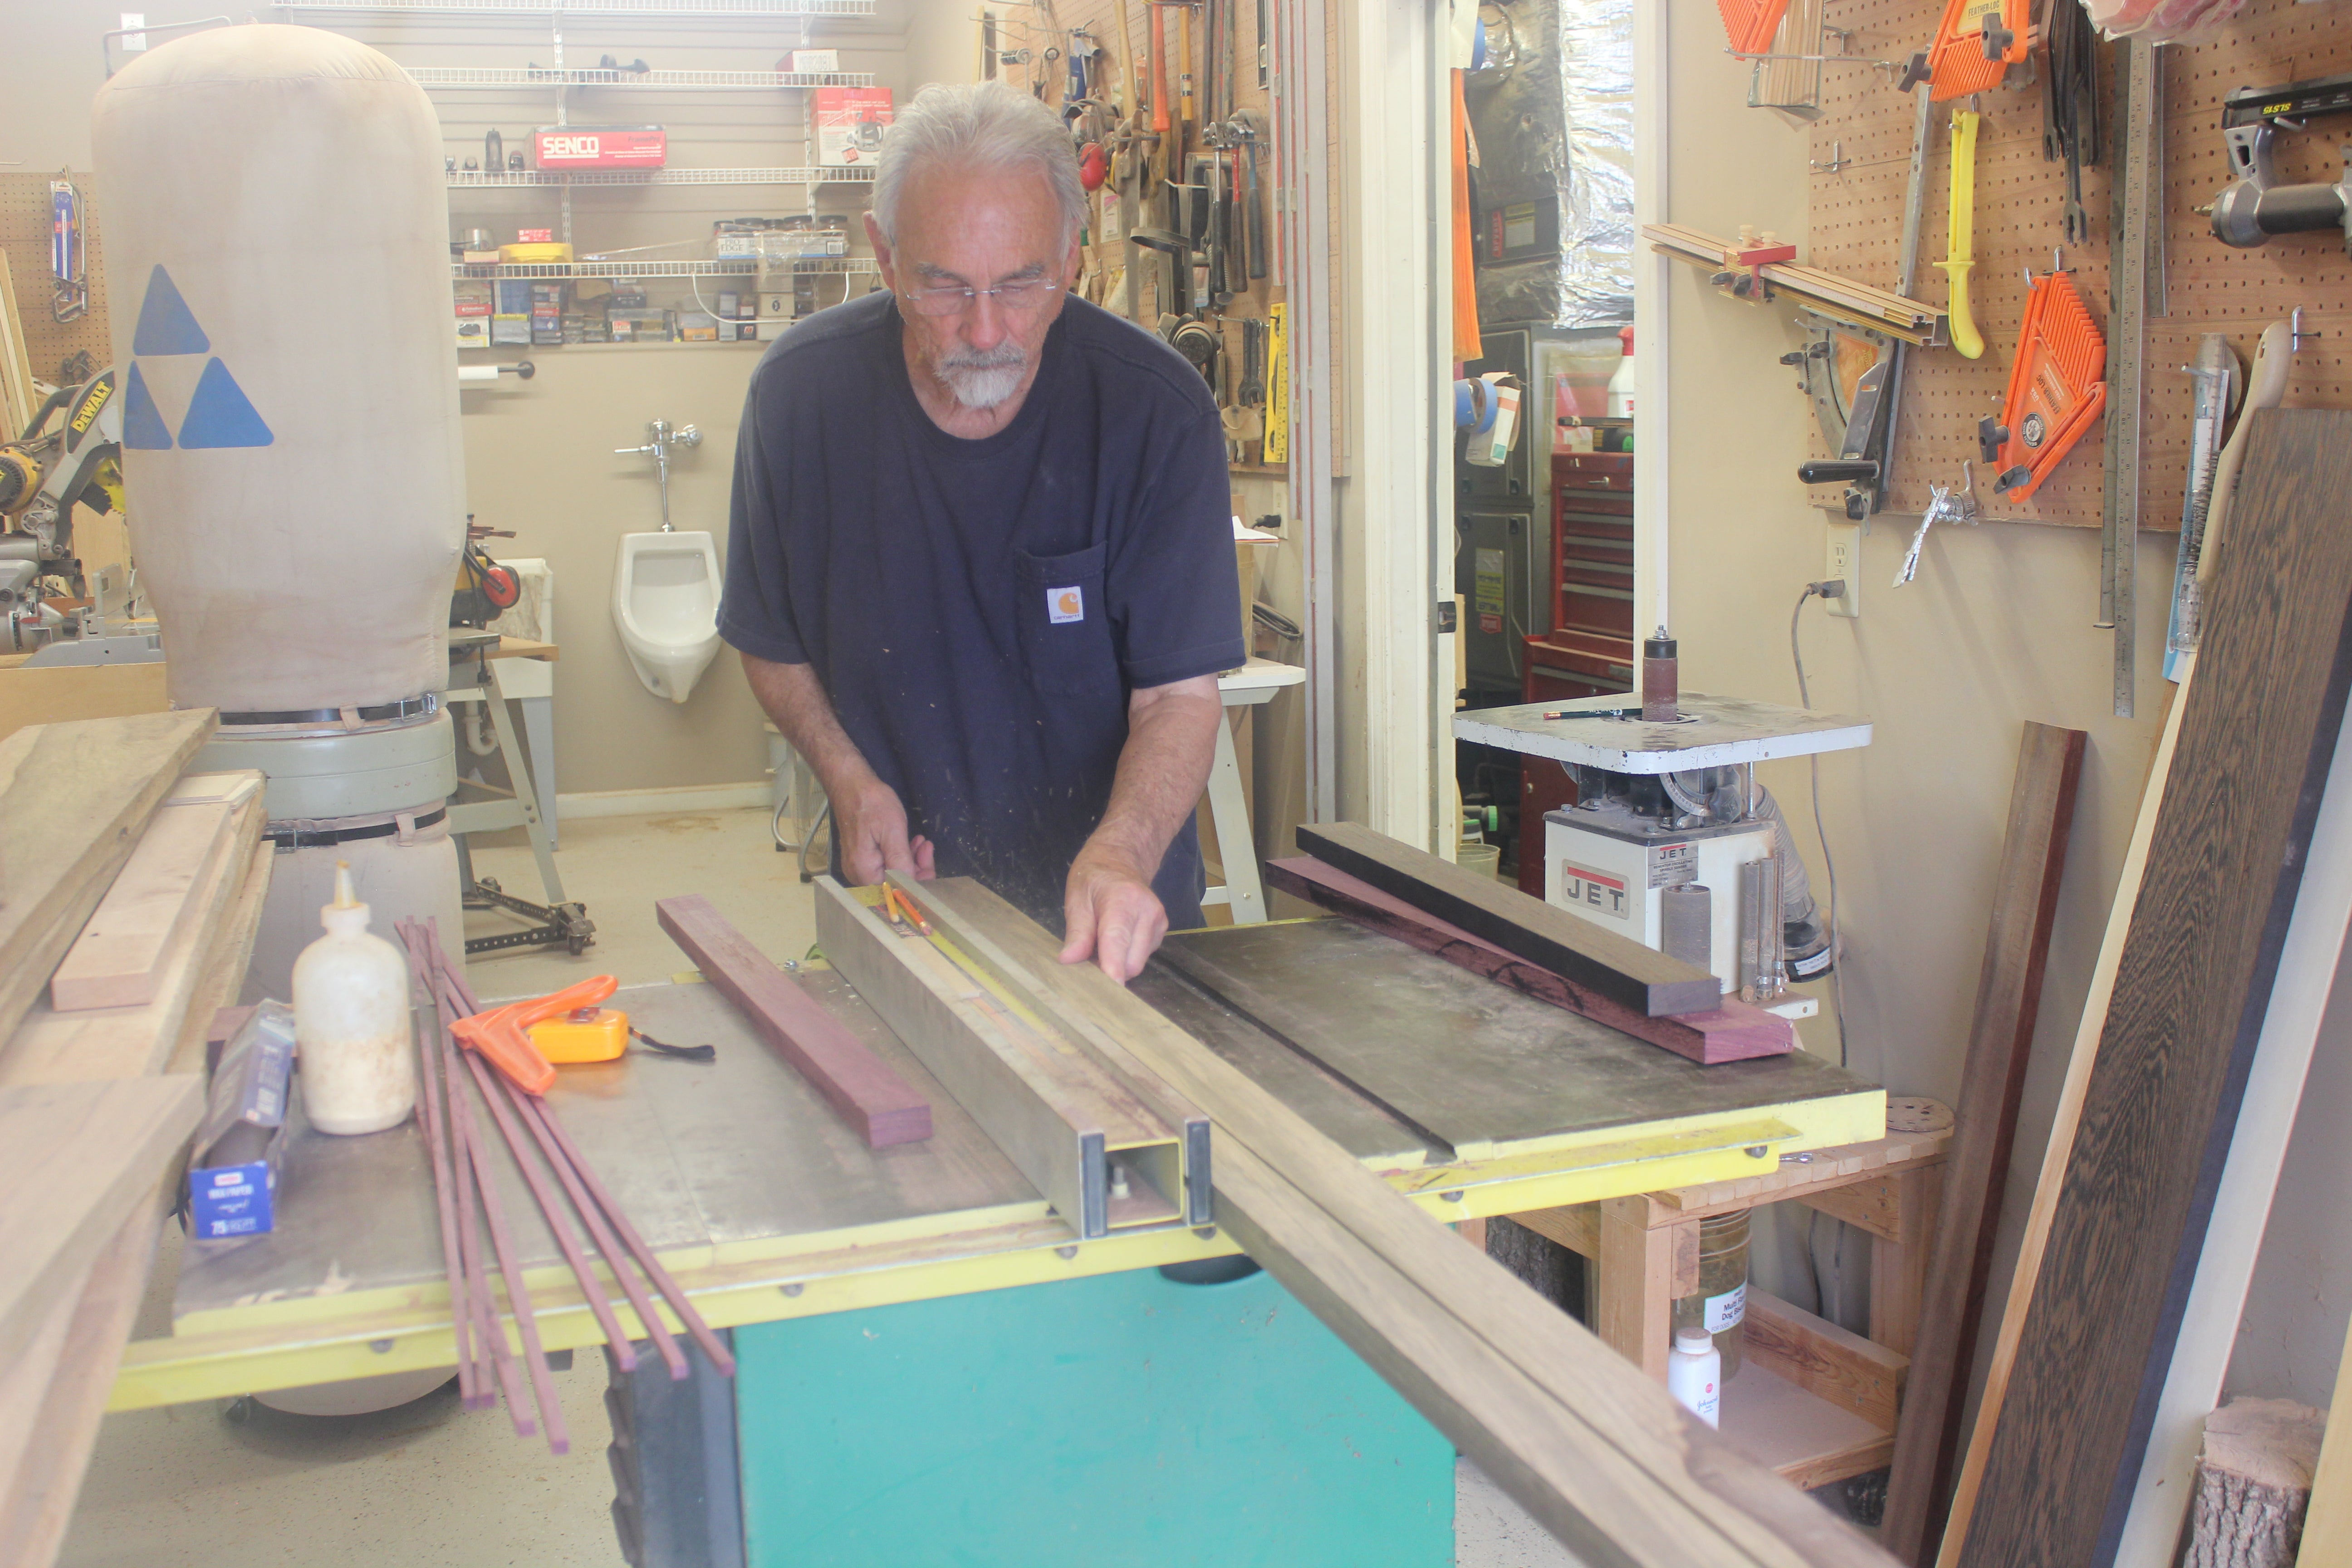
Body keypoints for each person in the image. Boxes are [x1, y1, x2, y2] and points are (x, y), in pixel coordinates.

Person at [718, 81, 1243, 982]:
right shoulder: (800, 401)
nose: (988, 329)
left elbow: (1177, 700)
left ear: (1073, 257)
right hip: (906, 918)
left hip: (1106, 935)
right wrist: (846, 776)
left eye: (1020, 283)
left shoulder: (1157, 414)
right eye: (946, 287)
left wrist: (1120, 852)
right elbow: (771, 638)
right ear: (886, 258)